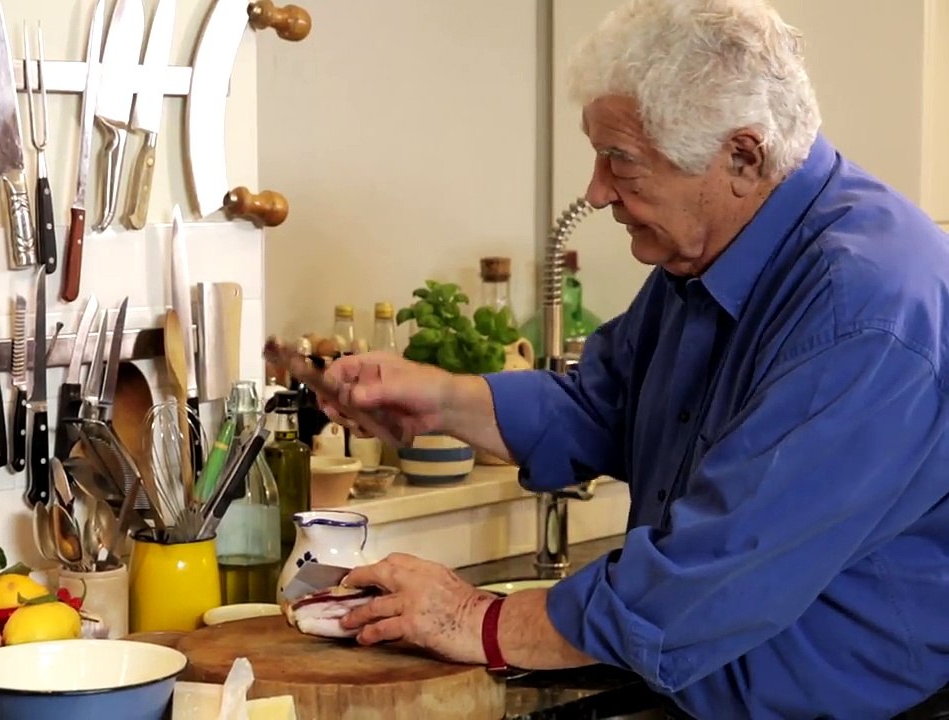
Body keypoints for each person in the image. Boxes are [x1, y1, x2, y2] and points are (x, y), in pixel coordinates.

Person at [315, 0, 949, 717]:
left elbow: (715, 573)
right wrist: (443, 399)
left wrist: (475, 621)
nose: (595, 190)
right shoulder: (710, 257)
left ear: (742, 156)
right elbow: (603, 404)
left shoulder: (862, 309)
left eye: (622, 161)